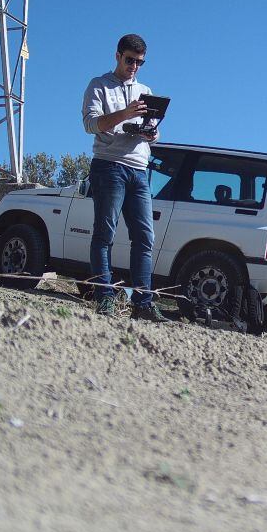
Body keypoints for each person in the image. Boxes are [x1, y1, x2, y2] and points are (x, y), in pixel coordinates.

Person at [81, 33, 167, 322]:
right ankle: (104, 297)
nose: (134, 67)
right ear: (117, 55)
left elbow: (153, 130)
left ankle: (143, 303)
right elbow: (91, 124)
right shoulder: (99, 85)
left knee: (145, 237)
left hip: (139, 169)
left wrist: (152, 132)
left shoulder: (145, 90)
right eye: (130, 60)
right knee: (104, 233)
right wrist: (124, 113)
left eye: (140, 62)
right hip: (109, 166)